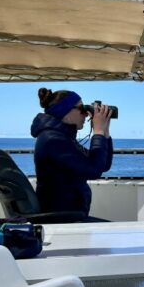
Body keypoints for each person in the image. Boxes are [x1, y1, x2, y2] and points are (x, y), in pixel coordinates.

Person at [31, 88, 114, 219]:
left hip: (70, 214)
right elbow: (94, 170)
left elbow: (103, 165)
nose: (86, 114)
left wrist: (105, 132)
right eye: (82, 108)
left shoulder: (62, 138)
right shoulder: (53, 140)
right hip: (61, 218)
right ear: (67, 112)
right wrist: (98, 132)